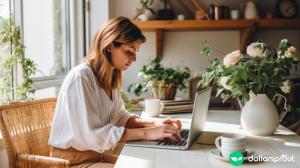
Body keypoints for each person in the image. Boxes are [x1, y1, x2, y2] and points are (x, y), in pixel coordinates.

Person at [48, 16, 182, 168]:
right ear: (110, 45)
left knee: (157, 165)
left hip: (96, 156)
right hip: (71, 162)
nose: (134, 59)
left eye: (135, 52)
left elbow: (121, 118)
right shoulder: (81, 77)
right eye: (129, 51)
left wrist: (155, 124)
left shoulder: (111, 77)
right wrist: (148, 133)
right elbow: (93, 135)